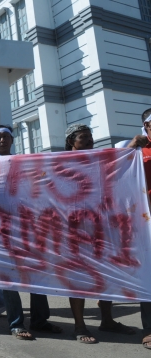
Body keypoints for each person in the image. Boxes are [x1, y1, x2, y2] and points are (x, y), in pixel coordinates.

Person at [64, 123, 145, 344]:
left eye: (90, 136)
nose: (89, 140)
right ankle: (80, 326)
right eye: (83, 137)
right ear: (71, 141)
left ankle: (107, 320)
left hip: (102, 226)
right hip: (75, 229)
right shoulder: (62, 162)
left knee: (106, 272)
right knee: (79, 276)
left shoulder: (98, 159)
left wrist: (132, 146)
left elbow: (118, 165)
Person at [0, 124, 62, 340]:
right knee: (10, 280)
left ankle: (40, 321)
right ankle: (16, 324)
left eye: (6, 137)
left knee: (36, 276)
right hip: (0, 232)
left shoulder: (24, 164)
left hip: (28, 229)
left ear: (12, 141)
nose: (2, 141)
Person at [126, 109, 151, 350]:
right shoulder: (135, 149)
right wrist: (132, 145)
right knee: (149, 279)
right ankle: (149, 330)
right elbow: (112, 165)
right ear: (146, 124)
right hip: (146, 224)